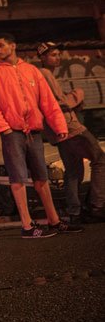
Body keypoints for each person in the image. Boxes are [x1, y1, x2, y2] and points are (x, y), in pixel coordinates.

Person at [0, 33, 80, 238]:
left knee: (41, 177)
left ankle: (54, 221)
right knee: (17, 178)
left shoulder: (31, 71)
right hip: (13, 132)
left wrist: (59, 124)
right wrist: (4, 128)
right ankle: (27, 226)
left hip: (33, 131)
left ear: (13, 46)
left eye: (1, 46)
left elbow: (47, 102)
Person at [36, 42, 105, 221]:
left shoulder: (42, 75)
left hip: (58, 131)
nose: (57, 58)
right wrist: (78, 94)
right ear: (42, 58)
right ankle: (97, 206)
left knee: (73, 170)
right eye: (53, 55)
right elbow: (57, 103)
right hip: (70, 127)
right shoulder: (45, 74)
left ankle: (74, 211)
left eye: (59, 54)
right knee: (100, 159)